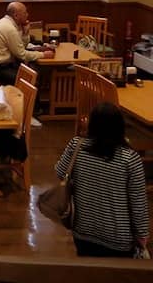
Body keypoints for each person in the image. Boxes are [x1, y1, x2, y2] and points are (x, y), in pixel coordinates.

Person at [55, 102, 149, 257]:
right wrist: (142, 234)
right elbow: (138, 203)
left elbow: (60, 172)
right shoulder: (130, 159)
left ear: (92, 124)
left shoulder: (76, 146)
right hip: (119, 237)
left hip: (83, 230)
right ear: (120, 127)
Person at [0, 1, 53, 86]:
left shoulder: (6, 23)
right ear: (16, 16)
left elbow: (21, 47)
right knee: (30, 83)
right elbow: (21, 54)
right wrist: (43, 55)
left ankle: (24, 99)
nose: (27, 15)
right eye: (25, 12)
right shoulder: (9, 29)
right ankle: (26, 99)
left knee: (32, 74)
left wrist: (25, 33)